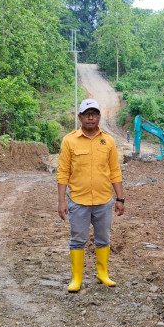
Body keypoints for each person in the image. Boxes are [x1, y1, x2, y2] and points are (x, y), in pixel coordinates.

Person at [57, 99, 124, 292]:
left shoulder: (108, 140)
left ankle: (102, 273)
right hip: (78, 200)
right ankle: (76, 278)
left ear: (99, 117)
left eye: (94, 113)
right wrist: (61, 201)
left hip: (104, 200)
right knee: (78, 239)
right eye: (87, 114)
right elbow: (63, 173)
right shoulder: (69, 140)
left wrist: (120, 199)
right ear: (80, 117)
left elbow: (115, 171)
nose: (91, 117)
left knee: (103, 238)